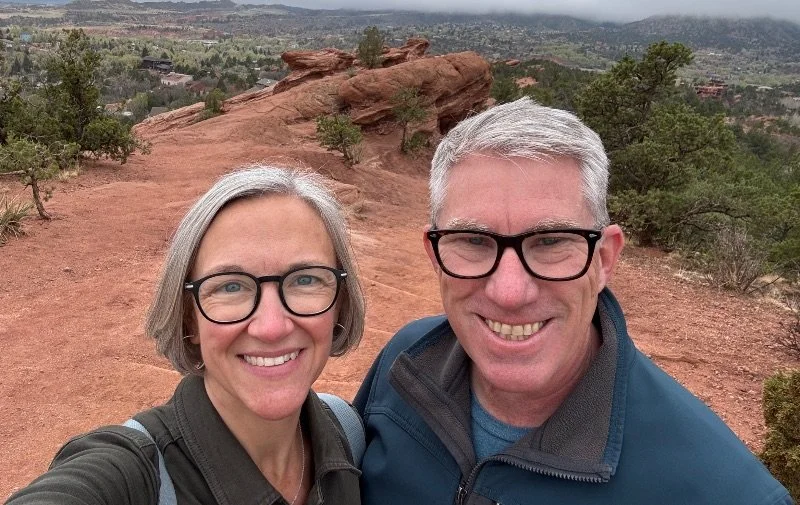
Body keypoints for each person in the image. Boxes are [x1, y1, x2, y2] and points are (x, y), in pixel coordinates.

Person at [353, 97, 793, 505]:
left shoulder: (722, 491)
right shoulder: (403, 366)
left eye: (550, 242)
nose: (509, 292)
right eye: (472, 240)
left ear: (604, 259)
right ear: (435, 256)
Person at [7, 166, 366, 505]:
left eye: (306, 279)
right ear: (188, 318)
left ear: (341, 302)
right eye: (230, 286)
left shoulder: (346, 433)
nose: (271, 327)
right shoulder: (135, 474)